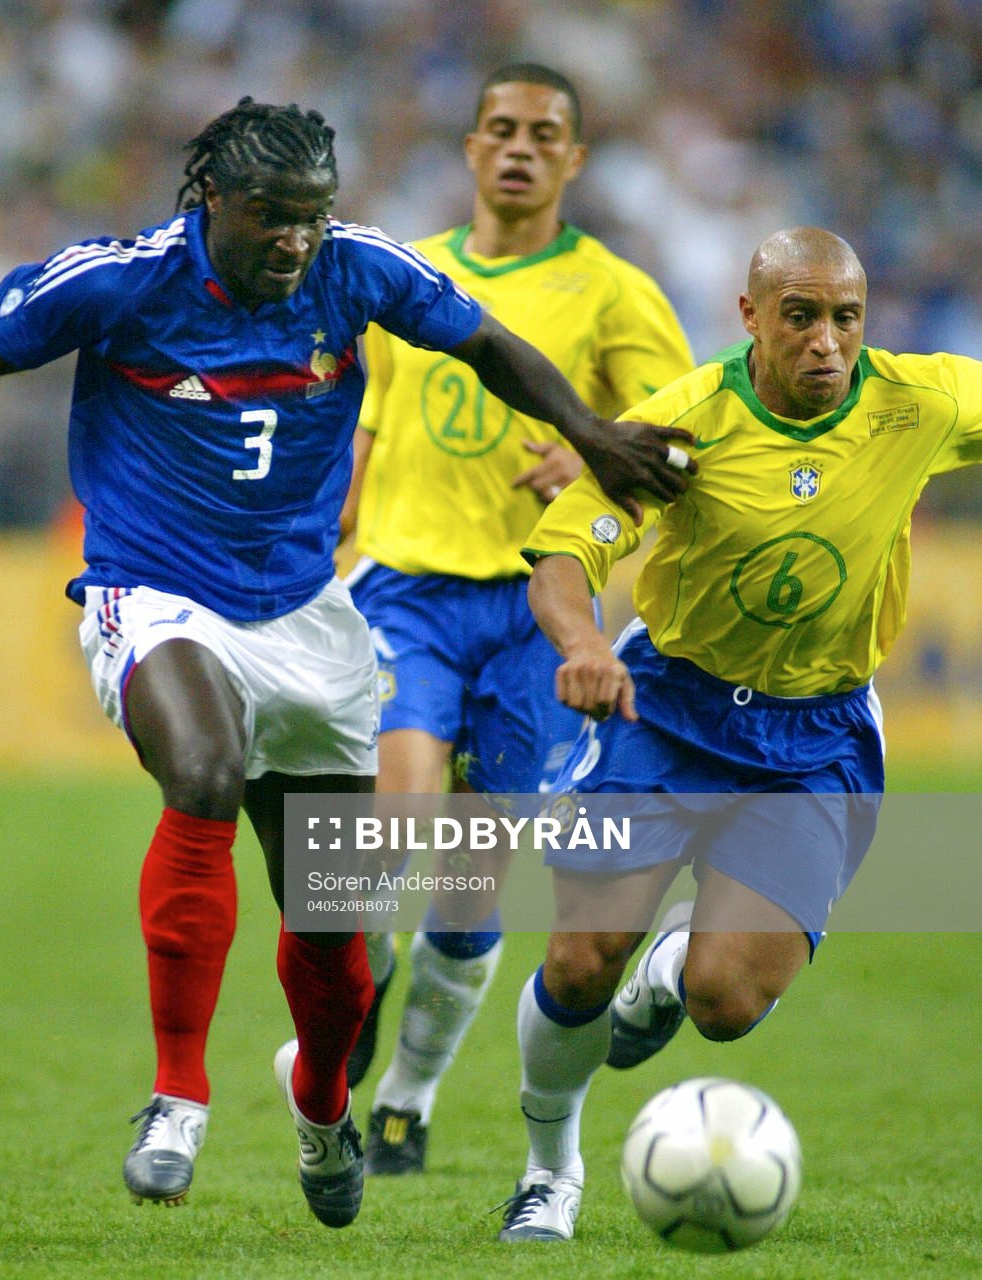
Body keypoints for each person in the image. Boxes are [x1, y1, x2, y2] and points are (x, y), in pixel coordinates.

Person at [0, 98, 697, 1230]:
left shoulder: (355, 271)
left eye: (312, 218)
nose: (296, 240)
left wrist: (589, 434)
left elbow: (483, 341)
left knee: (332, 918)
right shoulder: (124, 280)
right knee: (204, 766)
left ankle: (323, 1102)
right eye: (273, 219)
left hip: (304, 614)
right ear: (214, 204)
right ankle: (174, 1093)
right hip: (155, 589)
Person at [496, 225, 982, 1242]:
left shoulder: (918, 401)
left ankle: (674, 968)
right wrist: (583, 640)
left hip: (817, 737)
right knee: (580, 959)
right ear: (749, 316)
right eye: (799, 317)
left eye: (843, 318)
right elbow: (564, 552)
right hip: (666, 711)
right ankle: (550, 1169)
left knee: (724, 999)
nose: (824, 343)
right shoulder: (681, 423)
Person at [337, 63, 694, 1177]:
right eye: (500, 128)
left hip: (532, 610)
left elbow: (679, 446)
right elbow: (358, 418)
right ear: (468, 146)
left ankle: (407, 1091)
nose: (519, 147)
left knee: (469, 882)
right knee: (390, 822)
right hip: (400, 585)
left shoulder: (613, 292)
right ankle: (356, 967)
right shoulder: (409, 276)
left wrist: (591, 450)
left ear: (573, 160)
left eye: (544, 133)